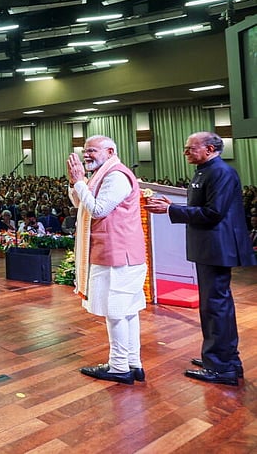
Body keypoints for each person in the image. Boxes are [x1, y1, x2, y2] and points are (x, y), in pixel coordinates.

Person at [145, 132, 257, 386]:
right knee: (213, 306)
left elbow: (214, 212)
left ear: (208, 148)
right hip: (209, 247)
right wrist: (171, 205)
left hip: (218, 247)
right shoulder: (205, 169)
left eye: (190, 148)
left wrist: (170, 210)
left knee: (215, 307)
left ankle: (221, 367)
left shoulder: (221, 172)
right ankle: (222, 359)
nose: (185, 152)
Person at [68, 135, 147, 385]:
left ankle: (119, 366)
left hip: (117, 256)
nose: (86, 155)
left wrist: (80, 181)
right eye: (84, 151)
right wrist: (76, 183)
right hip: (117, 254)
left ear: (110, 151)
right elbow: (82, 204)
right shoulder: (102, 174)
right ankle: (133, 363)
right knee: (128, 311)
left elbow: (99, 209)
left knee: (117, 311)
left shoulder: (116, 175)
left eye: (92, 150)